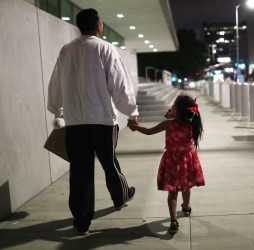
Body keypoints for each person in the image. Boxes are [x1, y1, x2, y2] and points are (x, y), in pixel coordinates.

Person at [47, 8, 138, 235]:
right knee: (109, 163)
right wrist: (132, 112)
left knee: (80, 171)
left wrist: (56, 108)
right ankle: (120, 196)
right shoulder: (106, 48)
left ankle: (81, 221)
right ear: (98, 25)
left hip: (75, 121)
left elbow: (56, 83)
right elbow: (119, 84)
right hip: (103, 121)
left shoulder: (66, 50)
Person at [129, 95, 205, 235]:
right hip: (187, 161)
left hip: (172, 162)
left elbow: (149, 131)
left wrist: (135, 127)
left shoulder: (168, 124)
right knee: (186, 186)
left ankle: (174, 221)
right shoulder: (192, 124)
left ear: (177, 110)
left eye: (174, 106)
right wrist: (173, 115)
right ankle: (186, 207)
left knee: (173, 192)